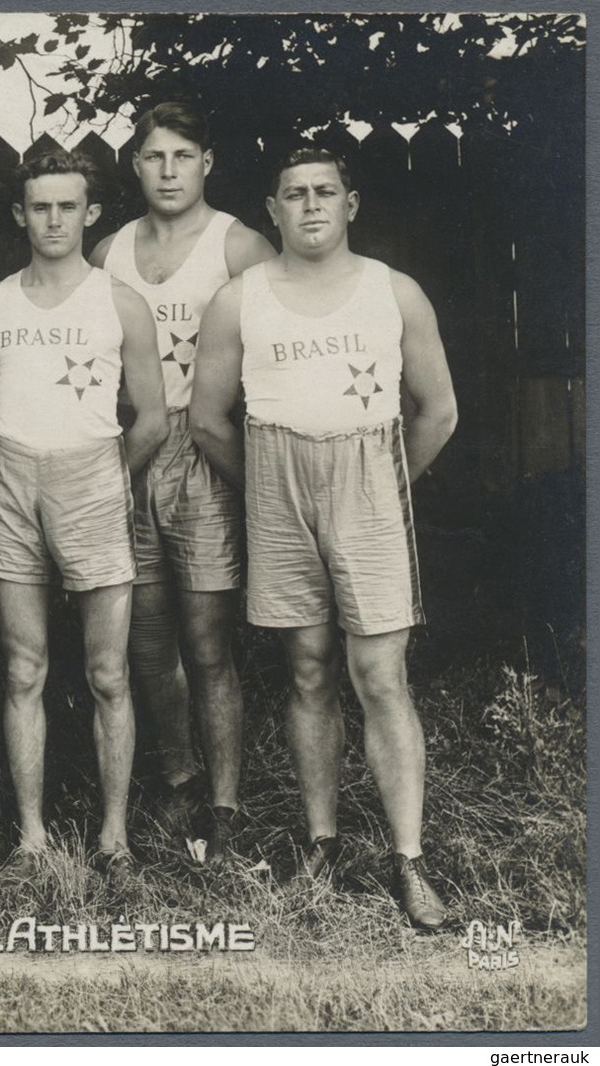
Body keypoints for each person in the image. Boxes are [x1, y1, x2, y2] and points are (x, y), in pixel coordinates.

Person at [190, 147, 457, 928]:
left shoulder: (392, 292)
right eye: (293, 195)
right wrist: (267, 490)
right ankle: (321, 840)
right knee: (305, 668)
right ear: (269, 211)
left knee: (378, 673)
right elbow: (207, 419)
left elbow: (436, 412)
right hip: (274, 478)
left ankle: (407, 860)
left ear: (350, 203)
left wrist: (382, 488)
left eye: (324, 192)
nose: (310, 206)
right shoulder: (241, 299)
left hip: (369, 478)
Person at [0, 150, 167, 877]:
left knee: (108, 673)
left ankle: (113, 839)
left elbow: (151, 418)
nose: (52, 220)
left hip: (94, 483)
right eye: (38, 207)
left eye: (66, 207)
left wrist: (107, 478)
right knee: (24, 670)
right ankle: (30, 837)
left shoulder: (118, 302)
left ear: (90, 213)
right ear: (19, 214)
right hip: (12, 481)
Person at [89, 101, 276, 866]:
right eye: (153, 156)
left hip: (205, 451)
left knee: (206, 645)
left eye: (181, 156)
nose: (167, 171)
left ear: (206, 162)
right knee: (144, 640)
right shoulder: (107, 251)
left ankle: (225, 806)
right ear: (133, 166)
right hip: (131, 451)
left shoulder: (239, 246)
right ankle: (175, 773)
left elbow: (270, 358)